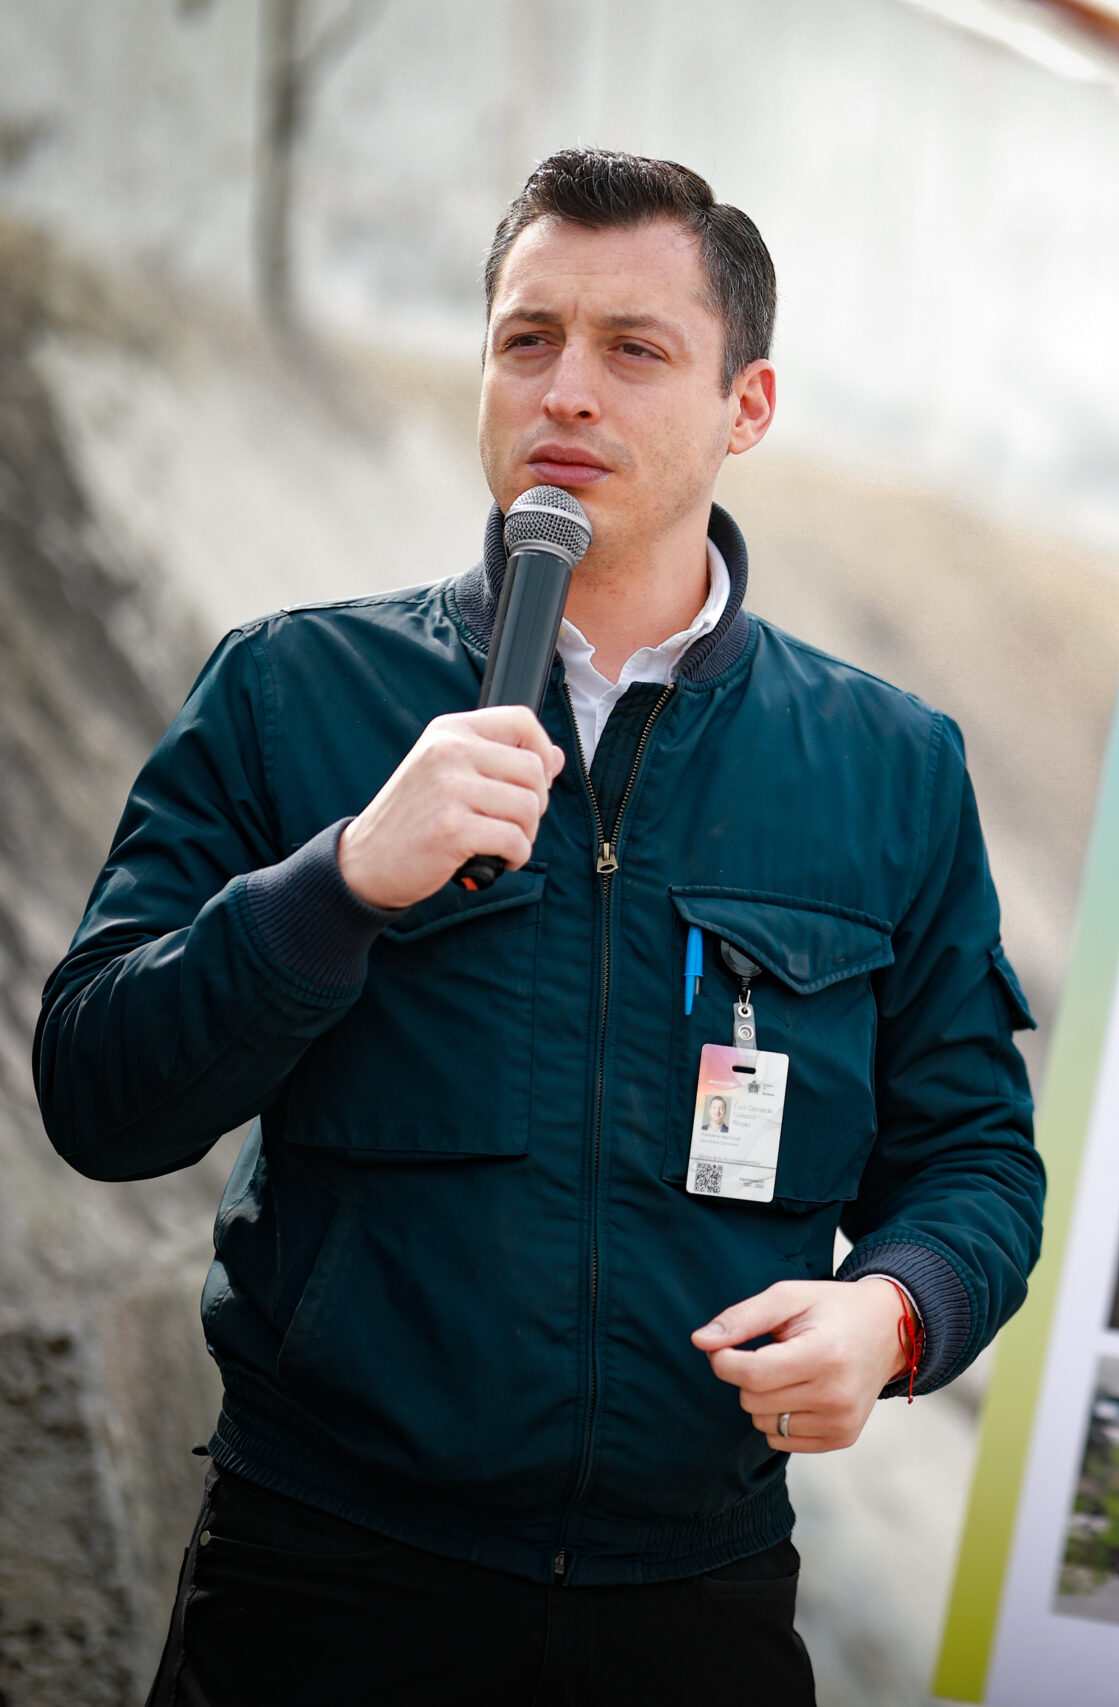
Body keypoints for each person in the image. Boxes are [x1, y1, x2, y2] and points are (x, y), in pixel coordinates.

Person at [34, 149, 1044, 1706]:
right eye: (527, 339)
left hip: (691, 1604)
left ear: (746, 407)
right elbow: (101, 1093)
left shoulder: (887, 767)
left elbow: (975, 1153)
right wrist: (345, 879)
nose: (566, 389)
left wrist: (897, 1310)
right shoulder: (294, 694)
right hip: (327, 1581)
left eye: (634, 349)